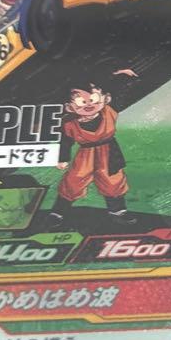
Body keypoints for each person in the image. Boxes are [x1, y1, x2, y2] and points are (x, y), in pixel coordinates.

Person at [48, 70, 138, 224]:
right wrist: (62, 158)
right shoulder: (69, 122)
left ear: (106, 98)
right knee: (74, 180)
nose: (89, 104)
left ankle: (118, 211)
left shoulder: (110, 110)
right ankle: (58, 212)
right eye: (81, 101)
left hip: (109, 152)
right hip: (85, 154)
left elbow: (123, 90)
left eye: (94, 99)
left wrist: (120, 74)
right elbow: (65, 141)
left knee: (113, 181)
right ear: (69, 106)